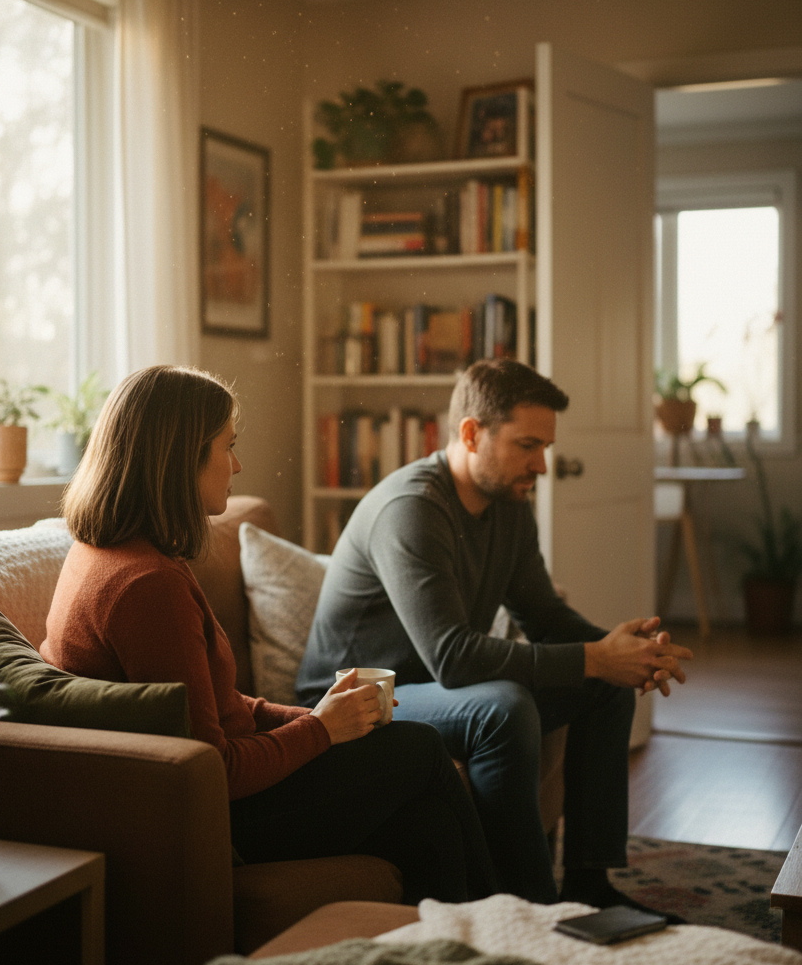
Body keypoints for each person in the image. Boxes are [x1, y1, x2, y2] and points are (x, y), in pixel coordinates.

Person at [41, 364, 497, 906]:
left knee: (425, 824)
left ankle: (474, 935)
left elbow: (220, 705)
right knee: (419, 746)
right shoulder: (145, 586)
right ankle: (511, 920)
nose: (237, 464)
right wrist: (322, 731)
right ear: (179, 458)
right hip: (224, 819)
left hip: (229, 795)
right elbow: (214, 771)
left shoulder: (121, 552)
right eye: (226, 447)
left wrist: (320, 716)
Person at [295, 358, 693, 915]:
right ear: (470, 434)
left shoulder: (508, 506)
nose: (543, 466)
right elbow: (454, 658)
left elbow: (544, 616)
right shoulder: (412, 509)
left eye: (546, 448)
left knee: (604, 685)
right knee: (500, 707)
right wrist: (596, 658)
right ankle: (529, 906)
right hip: (356, 701)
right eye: (528, 445)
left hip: (433, 690)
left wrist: (625, 653)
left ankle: (588, 884)